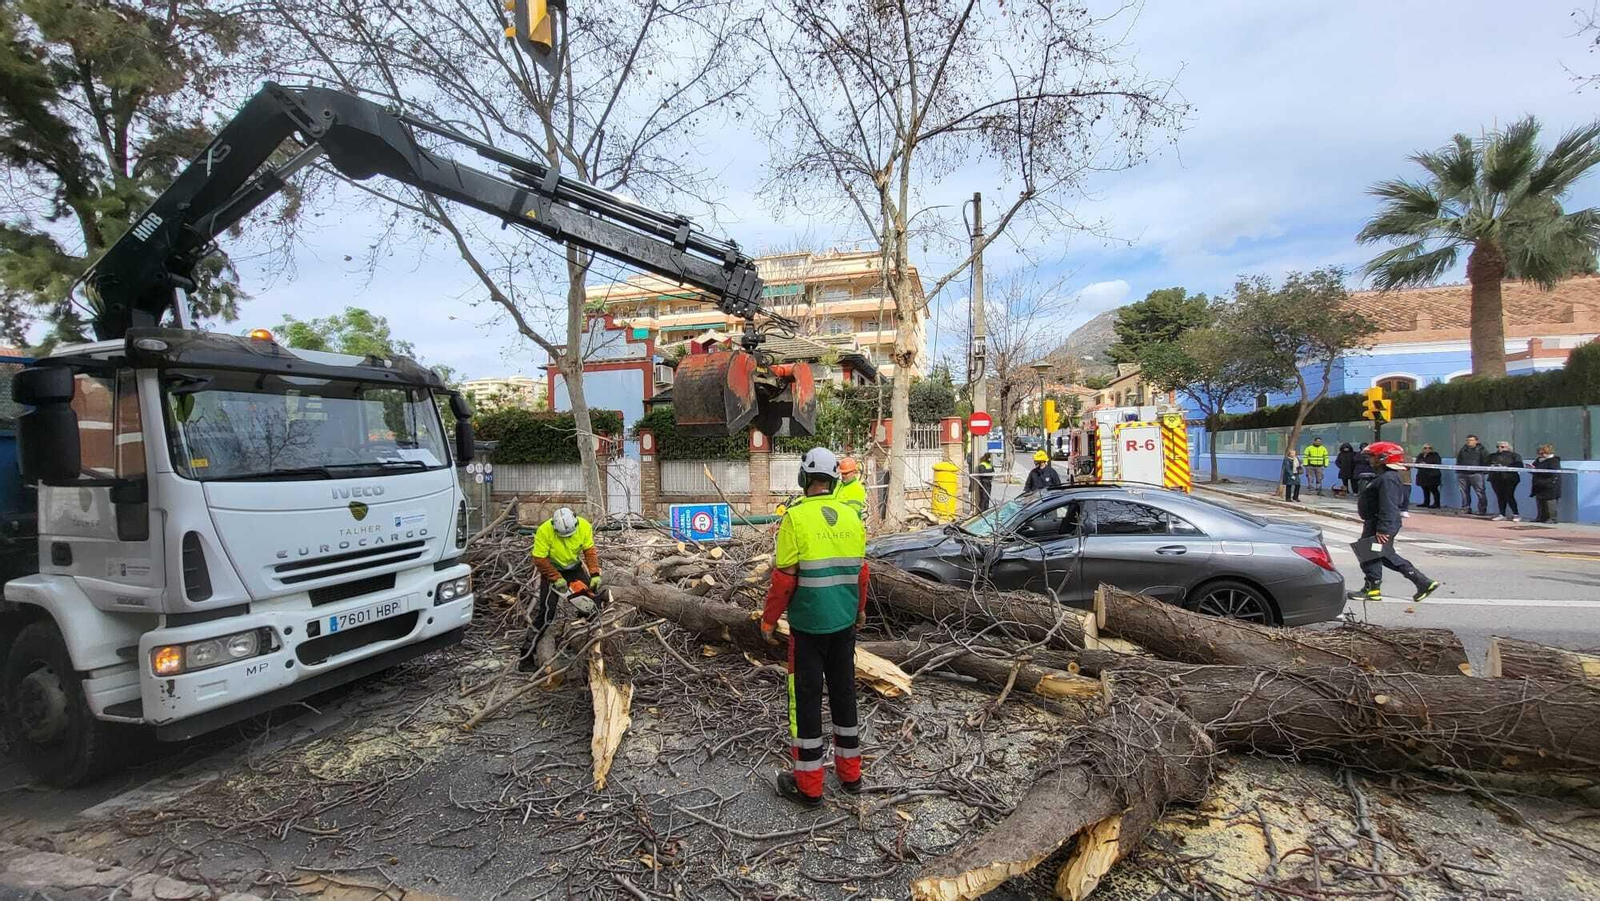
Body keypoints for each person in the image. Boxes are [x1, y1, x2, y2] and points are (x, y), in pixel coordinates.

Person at [760, 448, 868, 806]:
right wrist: (860, 611)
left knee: (805, 702)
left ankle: (809, 786)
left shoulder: (795, 519)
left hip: (807, 629)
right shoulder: (853, 517)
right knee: (844, 693)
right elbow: (861, 573)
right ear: (836, 480)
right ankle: (851, 775)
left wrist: (769, 620)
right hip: (844, 623)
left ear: (803, 478)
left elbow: (784, 579)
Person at [1349, 441, 1441, 603]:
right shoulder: (1384, 477)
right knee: (1375, 553)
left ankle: (1377, 588)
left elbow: (1389, 505)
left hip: (1381, 523)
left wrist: (1384, 529)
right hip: (1376, 522)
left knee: (1375, 553)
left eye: (1373, 457)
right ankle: (1376, 587)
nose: (1370, 460)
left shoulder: (1388, 479)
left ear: (1383, 458)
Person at [520, 507, 601, 671]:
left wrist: (594, 573)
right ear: (554, 527)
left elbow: (589, 551)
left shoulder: (584, 526)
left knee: (592, 603)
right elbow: (540, 559)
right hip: (552, 568)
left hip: (574, 568)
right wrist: (555, 578)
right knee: (546, 613)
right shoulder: (544, 531)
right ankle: (525, 657)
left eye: (570, 534)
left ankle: (588, 647)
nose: (568, 538)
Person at [1487, 440, 1526, 522]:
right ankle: (1502, 514)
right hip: (1495, 478)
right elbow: (1485, 464)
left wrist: (1505, 466)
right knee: (1500, 496)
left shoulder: (1515, 455)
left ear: (1508, 447)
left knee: (1509, 495)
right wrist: (1493, 466)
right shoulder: (1492, 456)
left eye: (1502, 447)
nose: (1500, 448)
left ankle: (1516, 514)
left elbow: (1519, 465)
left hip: (1510, 478)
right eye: (1498, 447)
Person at [1455, 435, 1489, 516]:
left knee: (1480, 492)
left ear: (1476, 441)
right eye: (1467, 440)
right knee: (1464, 492)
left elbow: (1486, 461)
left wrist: (1482, 471)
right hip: (1463, 474)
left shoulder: (1482, 450)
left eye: (1471, 440)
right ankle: (1465, 508)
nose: (1468, 442)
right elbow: (1459, 460)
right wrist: (1459, 471)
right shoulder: (1463, 449)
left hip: (1476, 474)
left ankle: (1482, 510)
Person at [1532, 444, 1562, 524]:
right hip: (1539, 484)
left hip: (1549, 484)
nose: (1541, 455)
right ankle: (1541, 517)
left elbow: (1553, 473)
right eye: (1539, 453)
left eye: (1543, 453)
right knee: (1540, 500)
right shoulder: (1538, 460)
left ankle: (1552, 518)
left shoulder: (1554, 461)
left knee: (1550, 502)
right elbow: (1534, 469)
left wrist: (1538, 470)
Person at [1415, 444, 1443, 509]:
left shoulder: (1435, 455)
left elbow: (1437, 462)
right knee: (1425, 489)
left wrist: (1426, 463)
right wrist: (1420, 463)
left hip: (1432, 475)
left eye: (1429, 448)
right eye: (1425, 448)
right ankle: (1426, 502)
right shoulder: (1420, 455)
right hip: (1422, 475)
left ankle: (1437, 504)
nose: (1427, 449)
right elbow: (1416, 463)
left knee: (1434, 490)